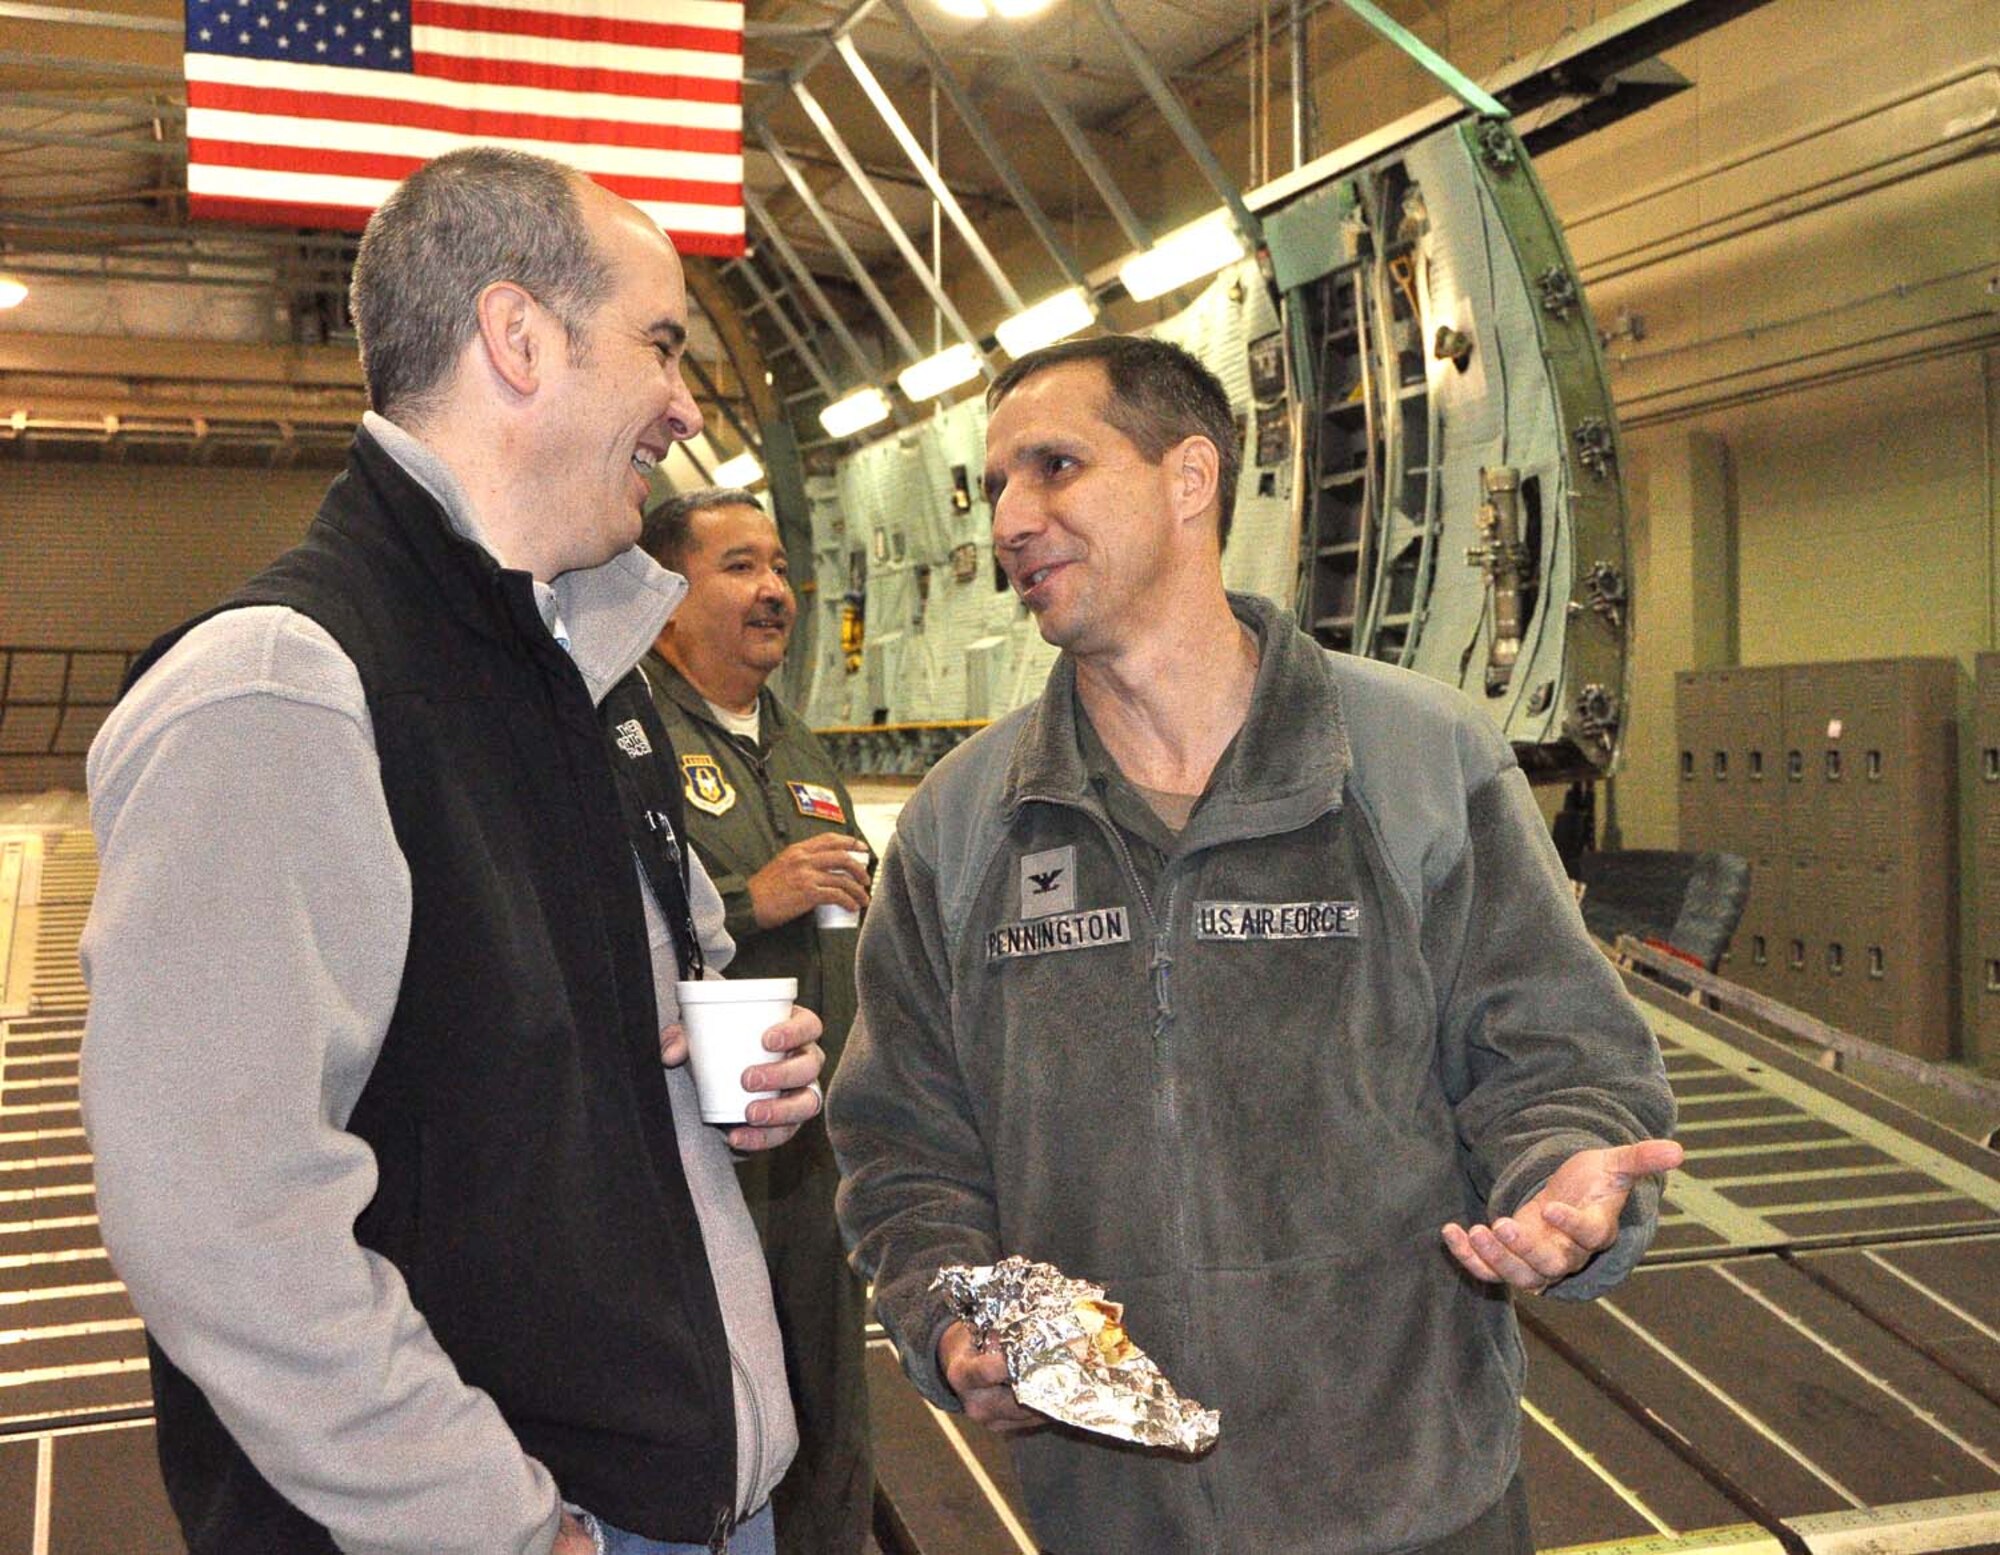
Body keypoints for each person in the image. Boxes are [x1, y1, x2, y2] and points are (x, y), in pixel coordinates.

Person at [78, 147, 824, 1555]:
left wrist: (736, 1074)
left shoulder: (583, 675)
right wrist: (497, 1523)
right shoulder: (282, 685)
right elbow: (222, 1216)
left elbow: (575, 1052)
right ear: (518, 338)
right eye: (661, 343)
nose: (684, 403)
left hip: (689, 1495)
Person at [827, 334, 1682, 1553]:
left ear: (1190, 478)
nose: (1010, 519)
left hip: (1410, 1504)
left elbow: (1558, 1063)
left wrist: (1558, 1176)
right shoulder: (964, 826)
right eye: (997, 483)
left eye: (1055, 466)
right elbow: (904, 1147)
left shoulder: (1417, 763)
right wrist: (951, 1317)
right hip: (1114, 1519)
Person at [636, 487, 875, 1555]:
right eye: (738, 566)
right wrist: (750, 899)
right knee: (722, 1409)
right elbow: (597, 925)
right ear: (665, 595)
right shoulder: (624, 736)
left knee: (831, 1398)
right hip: (701, 1150)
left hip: (815, 1144)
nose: (774, 588)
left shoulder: (800, 746)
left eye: (778, 566)